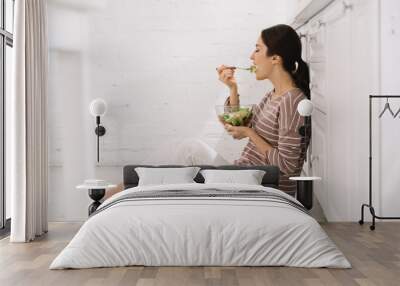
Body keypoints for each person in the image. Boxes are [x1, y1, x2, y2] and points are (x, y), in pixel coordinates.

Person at [105, 24, 310, 199]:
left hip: (262, 184)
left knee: (189, 150)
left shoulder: (292, 101)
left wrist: (249, 134)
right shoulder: (273, 95)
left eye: (257, 50)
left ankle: (121, 192)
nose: (251, 56)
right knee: (186, 151)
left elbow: (287, 166)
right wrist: (232, 88)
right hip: (246, 174)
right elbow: (239, 125)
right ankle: (125, 191)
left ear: (275, 58)